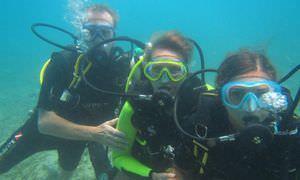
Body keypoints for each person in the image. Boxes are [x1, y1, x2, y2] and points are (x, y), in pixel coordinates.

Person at [0, 4, 131, 180]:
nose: (98, 38)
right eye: (90, 32)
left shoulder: (124, 67)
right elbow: (44, 122)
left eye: (105, 32)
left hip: (82, 136)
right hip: (46, 130)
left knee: (67, 171)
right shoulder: (63, 63)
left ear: (114, 36)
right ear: (81, 34)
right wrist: (94, 133)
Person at [175, 50, 300, 180]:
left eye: (261, 94)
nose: (250, 107)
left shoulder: (292, 133)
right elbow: (182, 172)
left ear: (275, 95)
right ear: (222, 97)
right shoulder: (199, 129)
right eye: (237, 94)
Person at [110, 31, 202, 180]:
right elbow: (118, 157)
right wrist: (152, 175)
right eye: (156, 70)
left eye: (174, 70)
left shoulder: (203, 99)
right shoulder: (135, 104)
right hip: (148, 168)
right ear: (147, 70)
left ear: (185, 72)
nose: (165, 79)